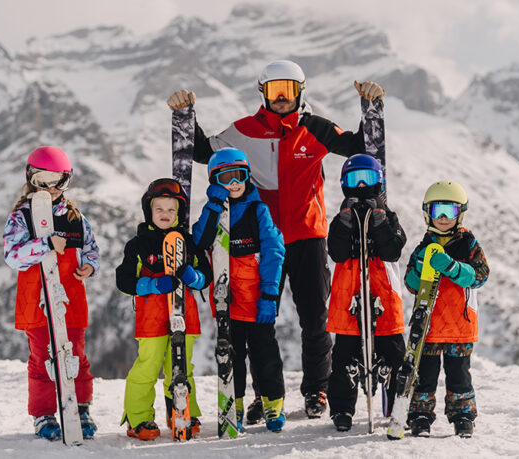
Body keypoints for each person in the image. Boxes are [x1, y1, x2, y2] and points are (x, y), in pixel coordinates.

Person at [167, 59, 385, 418]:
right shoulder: (242, 131)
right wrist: (185, 115)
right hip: (259, 240)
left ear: (301, 92)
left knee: (315, 319)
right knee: (256, 324)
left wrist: (372, 107)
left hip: (307, 236)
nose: (281, 97)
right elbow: (203, 152)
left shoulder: (316, 128)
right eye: (273, 90)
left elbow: (362, 147)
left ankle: (317, 390)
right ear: (262, 93)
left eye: (288, 89)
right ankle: (265, 396)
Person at [3, 146, 100, 441]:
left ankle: (80, 408)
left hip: (70, 298)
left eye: (59, 180)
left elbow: (91, 249)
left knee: (78, 357)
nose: (51, 188)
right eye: (43, 179)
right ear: (31, 178)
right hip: (36, 302)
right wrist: (45, 244)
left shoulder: (75, 217)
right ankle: (44, 414)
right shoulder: (21, 218)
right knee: (43, 359)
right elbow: (13, 256)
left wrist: (89, 267)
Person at [191, 148, 287, 432]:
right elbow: (200, 242)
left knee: (265, 355)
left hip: (257, 300)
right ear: (214, 181)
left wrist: (269, 295)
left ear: (248, 177)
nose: (233, 183)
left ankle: (272, 405)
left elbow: (274, 252)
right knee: (233, 359)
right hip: (227, 303)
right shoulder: (214, 211)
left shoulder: (259, 211)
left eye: (239, 175)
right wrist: (213, 206)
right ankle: (236, 404)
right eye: (225, 178)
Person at [115, 178, 213, 440]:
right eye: (159, 209)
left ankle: (181, 412)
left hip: (185, 315)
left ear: (179, 212)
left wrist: (194, 277)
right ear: (149, 211)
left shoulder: (189, 243)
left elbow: (207, 276)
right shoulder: (138, 245)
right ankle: (138, 419)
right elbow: (124, 281)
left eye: (171, 210)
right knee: (147, 367)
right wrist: (152, 284)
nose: (166, 215)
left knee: (181, 367)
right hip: (152, 317)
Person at [325, 154, 406, 432]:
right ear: (344, 184)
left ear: (379, 183)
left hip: (382, 291)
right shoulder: (340, 218)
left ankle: (399, 403)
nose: (361, 186)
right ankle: (342, 409)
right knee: (344, 354)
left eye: (368, 179)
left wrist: (381, 222)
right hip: (349, 294)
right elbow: (335, 253)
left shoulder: (389, 216)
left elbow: (393, 250)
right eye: (354, 179)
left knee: (394, 351)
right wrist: (345, 224)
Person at [403, 181, 490, 438]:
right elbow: (410, 284)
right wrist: (419, 269)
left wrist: (453, 268)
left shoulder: (468, 244)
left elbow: (481, 275)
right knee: (425, 375)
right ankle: (420, 414)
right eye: (437, 211)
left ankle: (462, 414)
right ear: (427, 213)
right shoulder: (423, 246)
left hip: (459, 325)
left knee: (459, 375)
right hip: (428, 325)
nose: (442, 218)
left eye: (449, 212)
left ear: (459, 214)